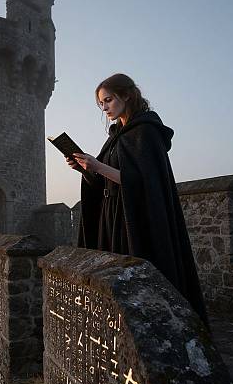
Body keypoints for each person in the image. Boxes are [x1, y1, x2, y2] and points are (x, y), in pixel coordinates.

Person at [66, 73, 209, 327]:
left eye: (108, 100)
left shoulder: (145, 132)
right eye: (101, 104)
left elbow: (144, 182)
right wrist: (85, 169)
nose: (105, 107)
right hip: (112, 216)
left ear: (127, 95)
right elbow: (106, 180)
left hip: (135, 218)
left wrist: (98, 166)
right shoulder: (116, 137)